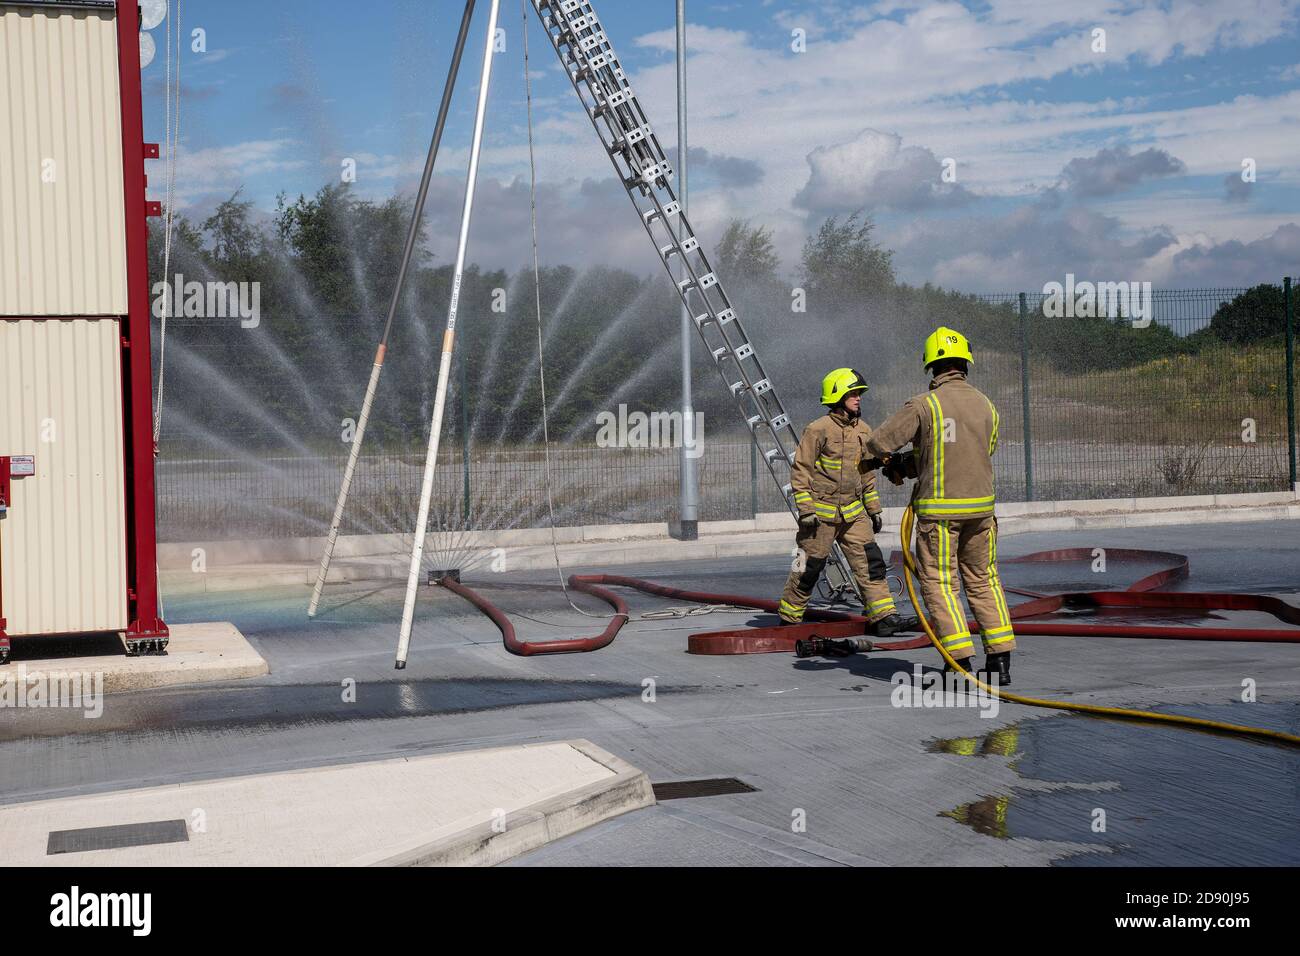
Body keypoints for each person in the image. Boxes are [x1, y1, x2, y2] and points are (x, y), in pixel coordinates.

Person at [867, 328, 1016, 684]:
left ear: (932, 367)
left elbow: (878, 442)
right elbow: (978, 450)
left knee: (940, 583)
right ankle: (1000, 661)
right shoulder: (987, 405)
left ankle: (959, 659)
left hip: (940, 516)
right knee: (984, 580)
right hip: (982, 513)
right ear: (965, 362)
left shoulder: (924, 405)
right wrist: (919, 458)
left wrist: (892, 461)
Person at [778, 368, 913, 636]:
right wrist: (805, 510)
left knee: (871, 563)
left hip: (854, 514)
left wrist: (873, 510)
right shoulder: (817, 429)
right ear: (838, 395)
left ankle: (884, 616)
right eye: (853, 393)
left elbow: (866, 473)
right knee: (806, 566)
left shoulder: (864, 430)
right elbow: (800, 471)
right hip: (819, 516)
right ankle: (789, 618)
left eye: (859, 394)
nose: (858, 398)